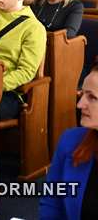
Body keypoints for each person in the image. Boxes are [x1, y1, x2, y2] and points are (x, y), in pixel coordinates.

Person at [40, 63, 98, 219]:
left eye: (92, 97)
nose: (80, 105)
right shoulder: (70, 141)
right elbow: (52, 204)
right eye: (82, 94)